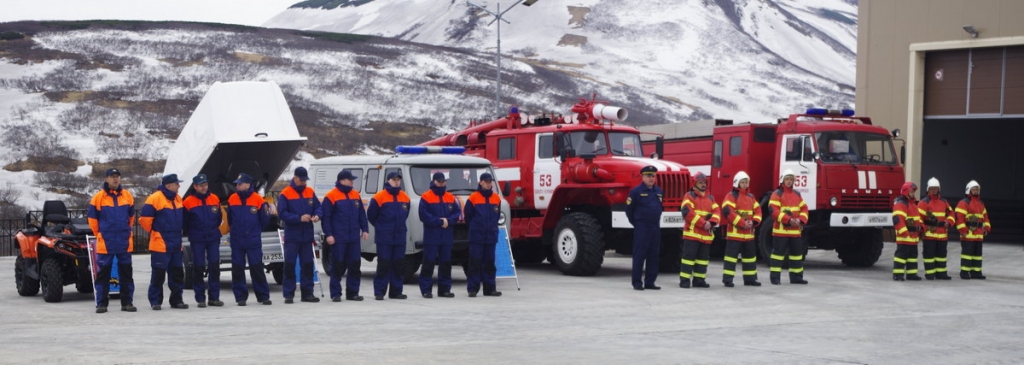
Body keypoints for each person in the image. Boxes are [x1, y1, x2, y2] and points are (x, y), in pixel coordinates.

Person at [88, 168, 137, 313]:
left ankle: (127, 303)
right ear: (106, 179)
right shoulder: (98, 198)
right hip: (106, 242)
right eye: (112, 177)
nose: (116, 179)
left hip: (123, 242)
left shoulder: (127, 196)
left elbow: (131, 218)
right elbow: (92, 220)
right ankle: (102, 304)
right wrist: (101, 234)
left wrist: (126, 232)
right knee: (103, 275)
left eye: (117, 176)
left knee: (126, 274)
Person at [140, 173, 188, 310]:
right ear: (169, 185)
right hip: (160, 243)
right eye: (177, 184)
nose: (179, 186)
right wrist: (156, 232)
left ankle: (177, 300)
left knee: (177, 273)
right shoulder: (154, 199)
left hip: (175, 242)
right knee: (158, 274)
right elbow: (145, 220)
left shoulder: (178, 198)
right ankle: (155, 301)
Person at [322, 169, 369, 302]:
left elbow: (361, 214)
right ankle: (336, 293)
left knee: (355, 265)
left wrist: (364, 229)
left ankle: (353, 293)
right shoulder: (331, 196)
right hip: (339, 237)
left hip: (354, 237)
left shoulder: (355, 194)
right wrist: (329, 234)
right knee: (338, 265)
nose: (352, 182)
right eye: (350, 179)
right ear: (342, 181)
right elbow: (326, 218)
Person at [277, 166, 323, 304]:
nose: (304, 183)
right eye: (302, 180)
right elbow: (282, 213)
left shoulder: (310, 192)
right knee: (290, 265)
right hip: (292, 236)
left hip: (307, 235)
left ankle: (307, 293)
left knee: (308, 265)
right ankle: (289, 294)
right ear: (295, 178)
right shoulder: (285, 194)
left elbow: (318, 207)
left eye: (305, 180)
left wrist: (317, 216)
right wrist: (298, 218)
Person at [226, 173, 272, 306]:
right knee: (237, 269)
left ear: (248, 184)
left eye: (240, 183)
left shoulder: (258, 200)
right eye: (237, 184)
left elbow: (264, 220)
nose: (237, 186)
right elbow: (230, 219)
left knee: (257, 268)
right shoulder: (232, 199)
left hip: (253, 240)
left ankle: (263, 296)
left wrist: (254, 231)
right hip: (237, 240)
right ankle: (240, 297)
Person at [182, 173, 224, 307]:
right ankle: (200, 298)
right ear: (195, 187)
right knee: (198, 267)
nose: (204, 187)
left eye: (205, 184)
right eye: (201, 185)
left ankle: (214, 297)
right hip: (197, 239)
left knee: (214, 266)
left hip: (213, 237)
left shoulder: (215, 199)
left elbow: (218, 218)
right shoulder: (188, 202)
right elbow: (185, 222)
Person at [367, 171, 411, 300]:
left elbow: (405, 214)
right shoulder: (379, 197)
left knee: (398, 265)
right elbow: (371, 215)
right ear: (388, 181)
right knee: (384, 264)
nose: (396, 181)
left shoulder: (405, 197)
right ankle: (379, 292)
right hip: (384, 237)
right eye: (393, 179)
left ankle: (396, 291)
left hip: (399, 236)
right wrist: (381, 227)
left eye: (398, 179)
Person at [418, 172, 462, 298]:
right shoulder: (426, 197)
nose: (442, 183)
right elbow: (423, 215)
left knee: (446, 263)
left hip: (446, 235)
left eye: (443, 181)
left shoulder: (450, 197)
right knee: (429, 262)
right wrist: (439, 221)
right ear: (434, 181)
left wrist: (449, 221)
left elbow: (457, 212)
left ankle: (444, 289)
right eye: (439, 181)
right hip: (432, 234)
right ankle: (426, 289)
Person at [720, 171, 763, 287]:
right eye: (742, 182)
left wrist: (754, 222)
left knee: (750, 258)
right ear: (737, 183)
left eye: (746, 182)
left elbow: (758, 211)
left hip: (748, 234)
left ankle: (750, 279)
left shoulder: (751, 197)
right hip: (735, 235)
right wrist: (742, 223)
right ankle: (728, 280)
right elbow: (727, 211)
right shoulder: (731, 196)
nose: (744, 184)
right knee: (731, 258)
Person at [678, 172, 720, 288]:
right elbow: (687, 213)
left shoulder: (711, 198)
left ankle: (699, 280)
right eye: (700, 182)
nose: (703, 185)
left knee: (703, 260)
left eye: (704, 182)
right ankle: (685, 280)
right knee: (688, 258)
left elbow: (717, 212)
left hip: (706, 236)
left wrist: (711, 223)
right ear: (694, 184)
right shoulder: (689, 196)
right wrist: (703, 223)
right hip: (692, 235)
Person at [464, 172, 503, 297]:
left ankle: (490, 289)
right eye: (486, 181)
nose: (488, 184)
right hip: (477, 236)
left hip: (491, 236)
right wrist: (477, 227)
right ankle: (473, 289)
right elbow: (468, 216)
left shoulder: (496, 198)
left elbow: (497, 216)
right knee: (475, 263)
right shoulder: (473, 197)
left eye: (489, 181)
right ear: (480, 182)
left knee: (490, 263)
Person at [768, 169, 809, 285]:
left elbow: (804, 209)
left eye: (791, 179)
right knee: (777, 256)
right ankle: (775, 278)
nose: (789, 181)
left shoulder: (797, 194)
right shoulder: (777, 194)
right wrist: (789, 220)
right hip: (781, 232)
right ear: (782, 180)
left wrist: (800, 220)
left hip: (795, 232)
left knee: (796, 255)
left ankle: (796, 277)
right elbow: (774, 211)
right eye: (787, 179)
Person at [625, 165, 663, 290]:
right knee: (640, 255)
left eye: (653, 176)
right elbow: (629, 210)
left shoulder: (658, 191)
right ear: (643, 177)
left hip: (655, 227)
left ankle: (650, 282)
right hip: (642, 227)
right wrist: (637, 223)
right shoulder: (636, 192)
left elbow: (659, 208)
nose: (651, 178)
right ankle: (637, 282)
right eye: (648, 176)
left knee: (654, 254)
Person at [917, 177, 955, 280]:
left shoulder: (944, 201)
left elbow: (951, 213)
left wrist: (949, 222)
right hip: (929, 235)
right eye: (932, 188)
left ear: (939, 189)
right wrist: (924, 228)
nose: (934, 190)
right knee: (929, 256)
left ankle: (941, 274)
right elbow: (918, 218)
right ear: (928, 189)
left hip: (942, 235)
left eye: (936, 188)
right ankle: (930, 274)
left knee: (942, 255)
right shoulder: (923, 202)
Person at [955, 180, 991, 280]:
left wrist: (987, 228)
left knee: (977, 255)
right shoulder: (963, 203)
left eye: (976, 190)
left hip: (978, 234)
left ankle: (976, 272)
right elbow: (959, 218)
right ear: (968, 190)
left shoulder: (980, 203)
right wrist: (963, 230)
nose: (975, 191)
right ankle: (964, 272)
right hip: (968, 234)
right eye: (973, 189)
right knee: (967, 254)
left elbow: (985, 217)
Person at [892, 182, 923, 281]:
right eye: (911, 191)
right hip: (904, 237)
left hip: (913, 238)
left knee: (912, 257)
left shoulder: (913, 204)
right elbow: (898, 220)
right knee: (901, 257)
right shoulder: (901, 204)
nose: (913, 193)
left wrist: (922, 228)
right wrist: (904, 233)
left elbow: (918, 219)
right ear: (906, 192)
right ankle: (898, 275)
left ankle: (911, 274)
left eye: (914, 191)